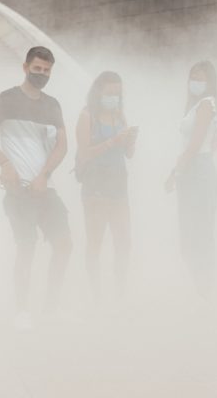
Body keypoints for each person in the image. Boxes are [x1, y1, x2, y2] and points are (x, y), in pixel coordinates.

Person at [0, 46, 71, 329]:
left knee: (65, 245)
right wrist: (4, 163)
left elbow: (62, 146)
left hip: (45, 188)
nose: (42, 74)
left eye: (47, 70)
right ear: (25, 67)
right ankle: (22, 311)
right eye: (37, 68)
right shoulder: (6, 99)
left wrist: (45, 175)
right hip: (19, 191)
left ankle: (51, 308)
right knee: (26, 248)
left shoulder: (52, 105)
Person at [75, 71, 137, 303]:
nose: (114, 97)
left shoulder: (119, 115)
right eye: (110, 93)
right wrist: (112, 141)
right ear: (98, 92)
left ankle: (120, 291)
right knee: (95, 242)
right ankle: (96, 294)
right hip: (95, 189)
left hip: (119, 186)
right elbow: (83, 155)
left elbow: (128, 154)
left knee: (124, 242)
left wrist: (130, 142)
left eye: (118, 93)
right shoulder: (87, 116)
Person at [165, 61, 217, 298]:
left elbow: (196, 143)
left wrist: (175, 172)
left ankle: (205, 291)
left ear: (209, 82)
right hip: (193, 168)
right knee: (188, 235)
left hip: (197, 170)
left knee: (200, 233)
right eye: (192, 77)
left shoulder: (207, 103)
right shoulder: (196, 106)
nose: (195, 82)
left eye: (200, 78)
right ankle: (202, 288)